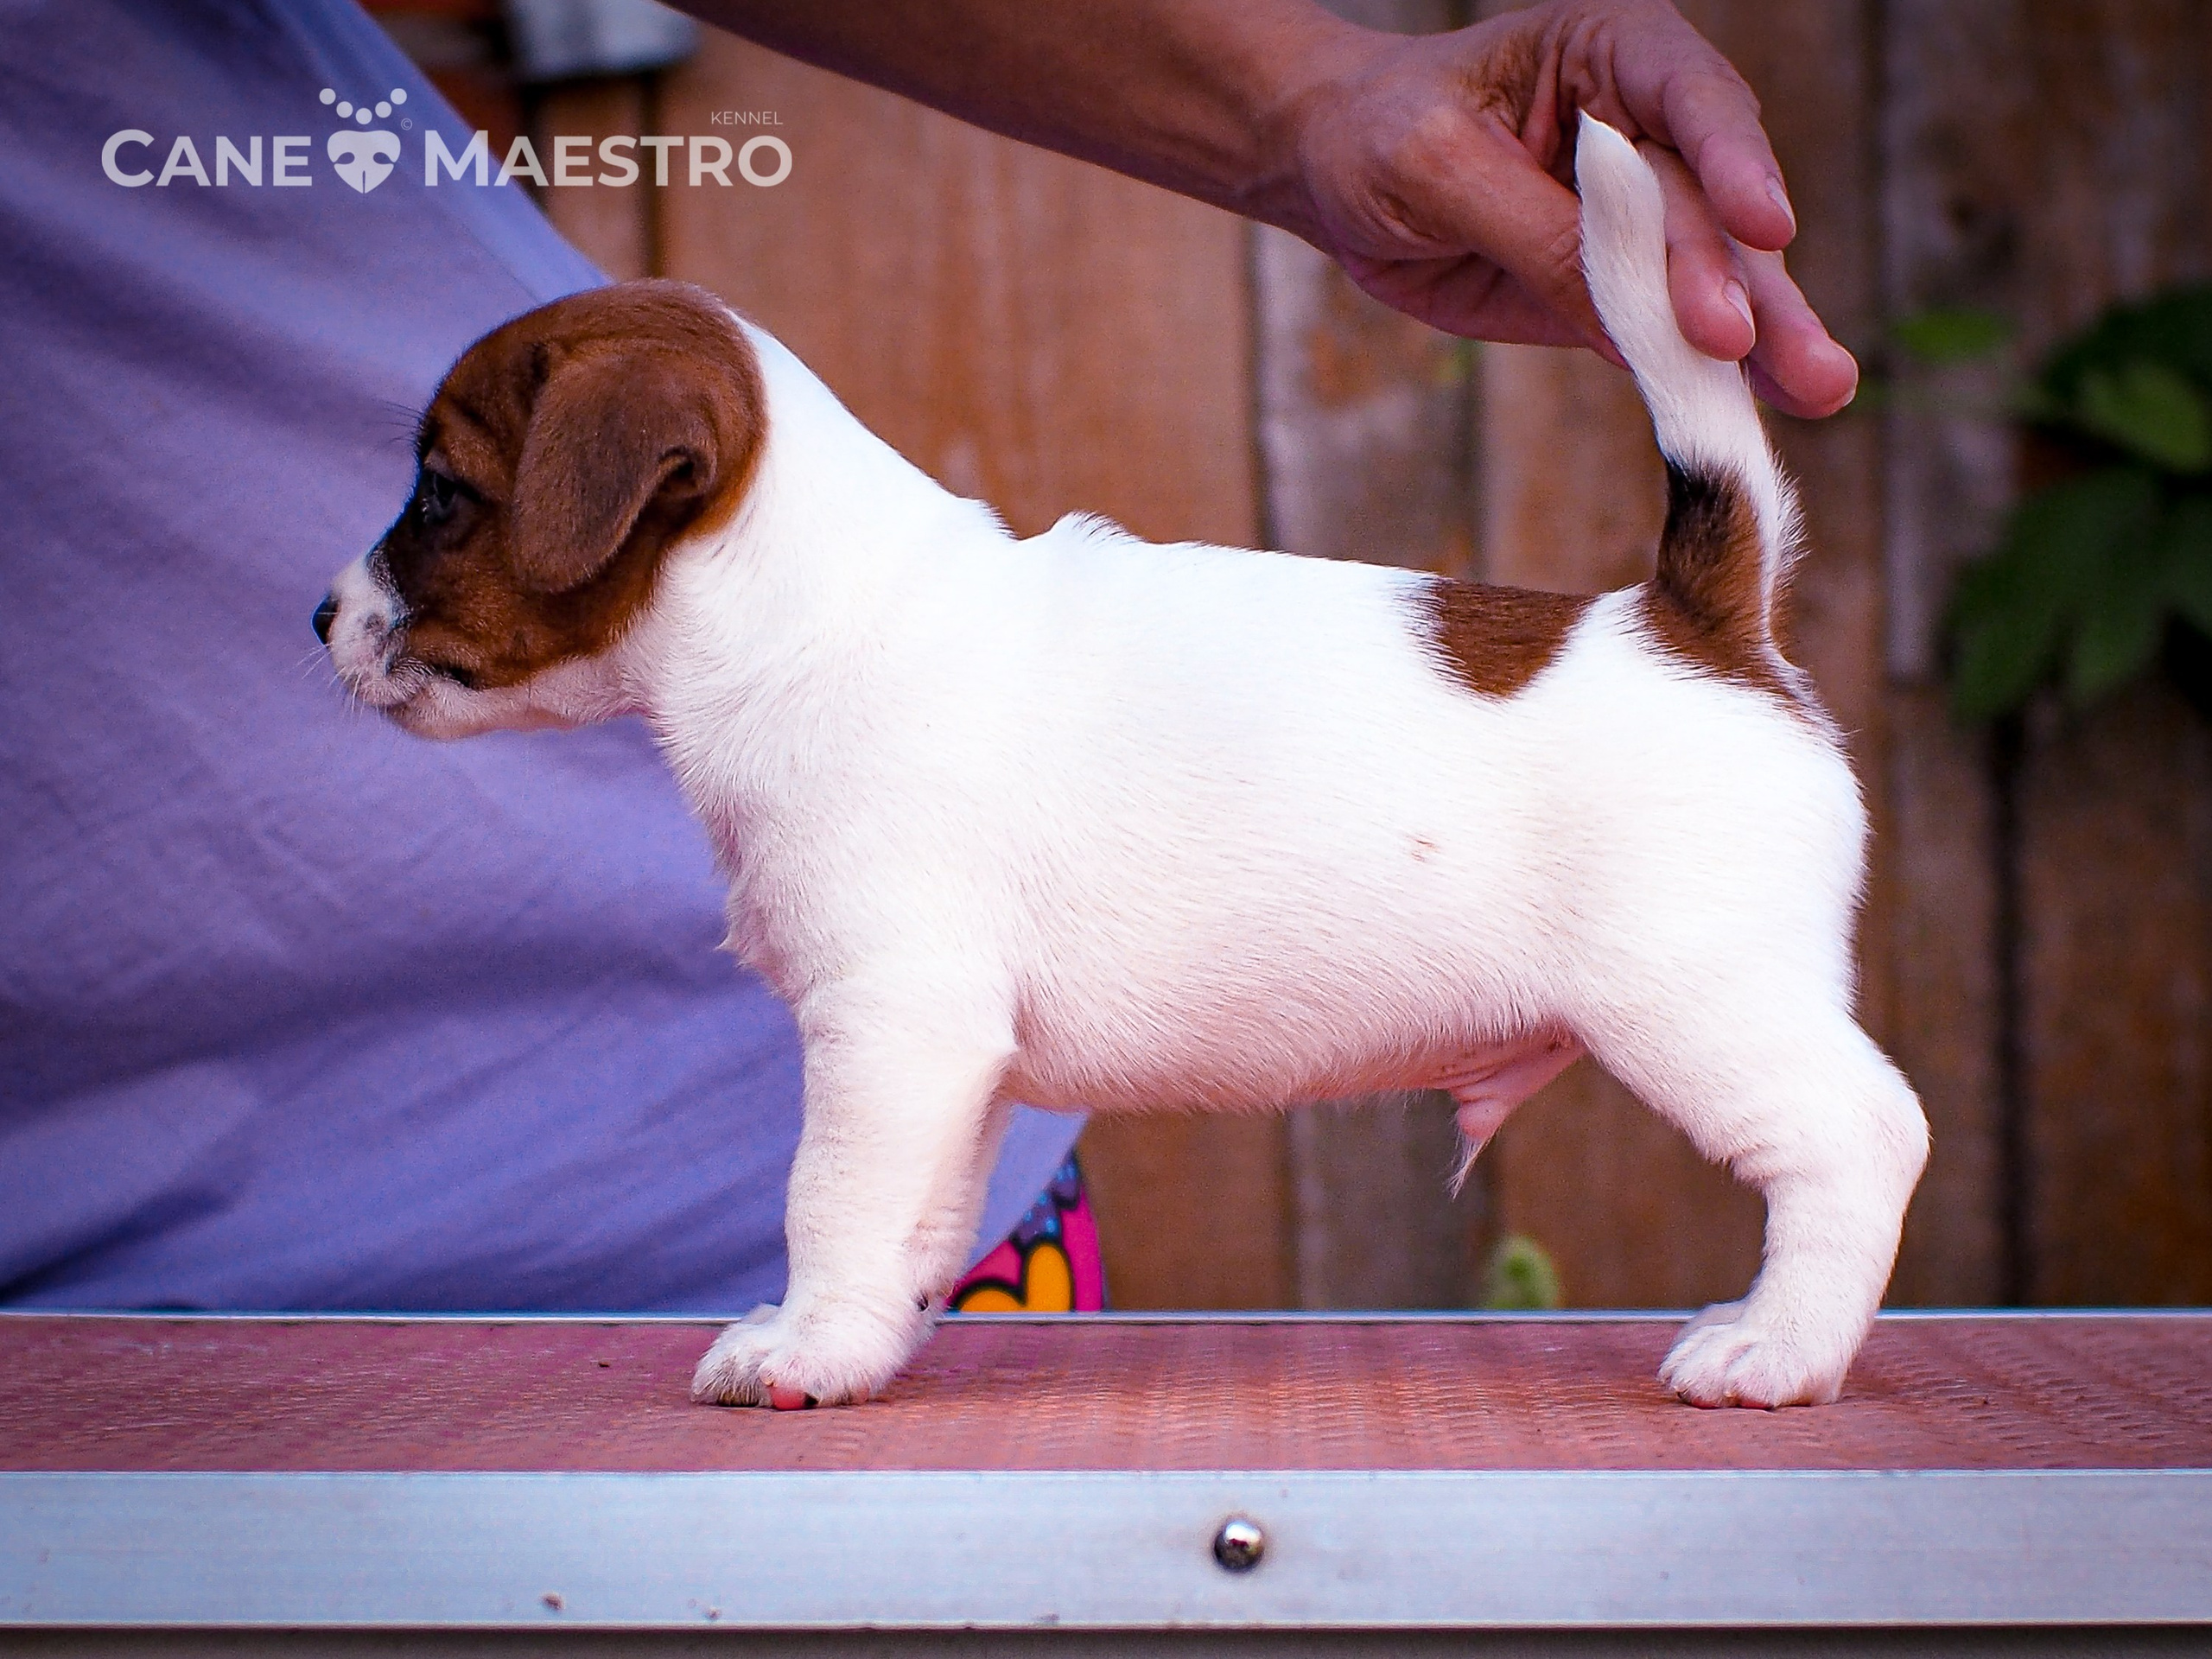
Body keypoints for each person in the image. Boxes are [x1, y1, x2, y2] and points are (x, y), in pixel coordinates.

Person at [0, 0, 1847, 1315]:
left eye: (454, 507)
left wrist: (1323, 98)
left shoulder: (890, 732)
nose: (391, 583)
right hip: (225, 1296)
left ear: (635, 488)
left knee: (1742, 1057)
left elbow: (914, 1023)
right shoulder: (902, 688)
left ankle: (1839, 1190)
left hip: (1620, 764)